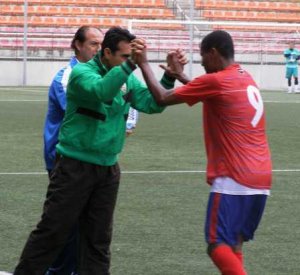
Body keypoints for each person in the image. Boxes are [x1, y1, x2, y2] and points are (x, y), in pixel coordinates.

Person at [14, 26, 187, 275]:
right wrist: (131, 66)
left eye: (131, 57)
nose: (130, 62)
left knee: (98, 240)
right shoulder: (82, 73)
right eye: (125, 57)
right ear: (107, 53)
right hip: (74, 167)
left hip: (107, 169)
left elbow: (152, 104)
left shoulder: (125, 77)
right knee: (52, 232)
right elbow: (101, 91)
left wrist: (168, 77)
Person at [131, 30, 272, 275]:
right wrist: (180, 76)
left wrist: (143, 63)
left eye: (203, 57)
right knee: (234, 242)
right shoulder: (245, 77)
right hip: (261, 176)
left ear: (214, 53)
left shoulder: (216, 81)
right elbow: (212, 93)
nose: (203, 63)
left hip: (233, 176)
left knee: (217, 245)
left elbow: (162, 98)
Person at [43, 26, 103, 275]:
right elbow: (86, 108)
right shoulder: (67, 77)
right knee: (63, 224)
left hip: (88, 157)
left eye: (101, 44)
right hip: (64, 157)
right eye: (92, 44)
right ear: (77, 45)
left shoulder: (99, 75)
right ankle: (56, 271)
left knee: (87, 223)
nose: (98, 49)